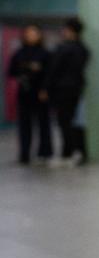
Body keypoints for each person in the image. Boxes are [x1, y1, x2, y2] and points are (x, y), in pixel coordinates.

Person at [40, 18, 90, 166]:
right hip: (76, 89)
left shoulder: (64, 49)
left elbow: (53, 71)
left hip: (63, 90)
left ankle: (67, 153)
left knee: (65, 122)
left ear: (70, 30)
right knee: (74, 122)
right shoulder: (83, 49)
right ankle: (78, 151)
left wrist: (45, 88)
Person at [7, 25, 52, 166]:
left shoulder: (44, 53)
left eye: (34, 33)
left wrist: (45, 89)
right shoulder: (19, 53)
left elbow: (49, 73)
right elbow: (11, 71)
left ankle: (45, 152)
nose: (31, 36)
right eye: (29, 33)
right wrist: (23, 71)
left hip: (40, 93)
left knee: (43, 124)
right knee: (25, 125)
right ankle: (25, 154)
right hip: (25, 92)